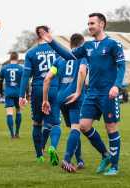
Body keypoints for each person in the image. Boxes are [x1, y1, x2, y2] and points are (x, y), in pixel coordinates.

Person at [39, 12, 125, 175]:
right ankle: (106, 155)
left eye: (92, 23)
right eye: (88, 24)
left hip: (108, 94)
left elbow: (122, 67)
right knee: (84, 126)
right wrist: (52, 42)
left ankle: (114, 166)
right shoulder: (88, 47)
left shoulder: (114, 44)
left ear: (102, 24)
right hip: (91, 94)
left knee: (111, 128)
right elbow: (68, 55)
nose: (89, 26)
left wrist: (116, 86)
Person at [42, 33, 88, 172]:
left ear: (70, 44)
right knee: (76, 128)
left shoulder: (59, 59)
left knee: (75, 128)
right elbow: (82, 73)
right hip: (75, 95)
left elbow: (47, 79)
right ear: (82, 44)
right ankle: (67, 160)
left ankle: (79, 160)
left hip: (60, 98)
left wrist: (45, 100)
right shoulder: (83, 57)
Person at [19, 26, 61, 166]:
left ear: (37, 36)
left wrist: (22, 95)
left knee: (37, 123)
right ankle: (52, 147)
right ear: (49, 33)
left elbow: (26, 75)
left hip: (37, 89)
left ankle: (39, 156)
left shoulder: (31, 53)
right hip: (54, 88)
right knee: (55, 123)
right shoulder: (57, 50)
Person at [0, 52, 23, 138]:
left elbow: (0, 82)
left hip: (8, 93)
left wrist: (1, 92)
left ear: (10, 58)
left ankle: (12, 134)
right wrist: (26, 94)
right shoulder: (21, 68)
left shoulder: (4, 68)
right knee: (19, 111)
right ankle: (17, 133)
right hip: (18, 93)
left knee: (9, 113)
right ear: (17, 58)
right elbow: (25, 83)